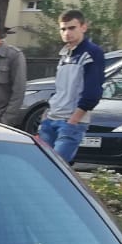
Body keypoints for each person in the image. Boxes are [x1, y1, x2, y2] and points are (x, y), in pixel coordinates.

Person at [39, 9, 106, 166]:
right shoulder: (65, 54)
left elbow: (93, 92)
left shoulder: (92, 53)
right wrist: (46, 114)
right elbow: (60, 88)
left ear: (83, 27)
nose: (67, 33)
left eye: (71, 28)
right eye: (63, 29)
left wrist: (73, 120)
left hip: (70, 121)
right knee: (41, 166)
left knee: (56, 167)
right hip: (51, 118)